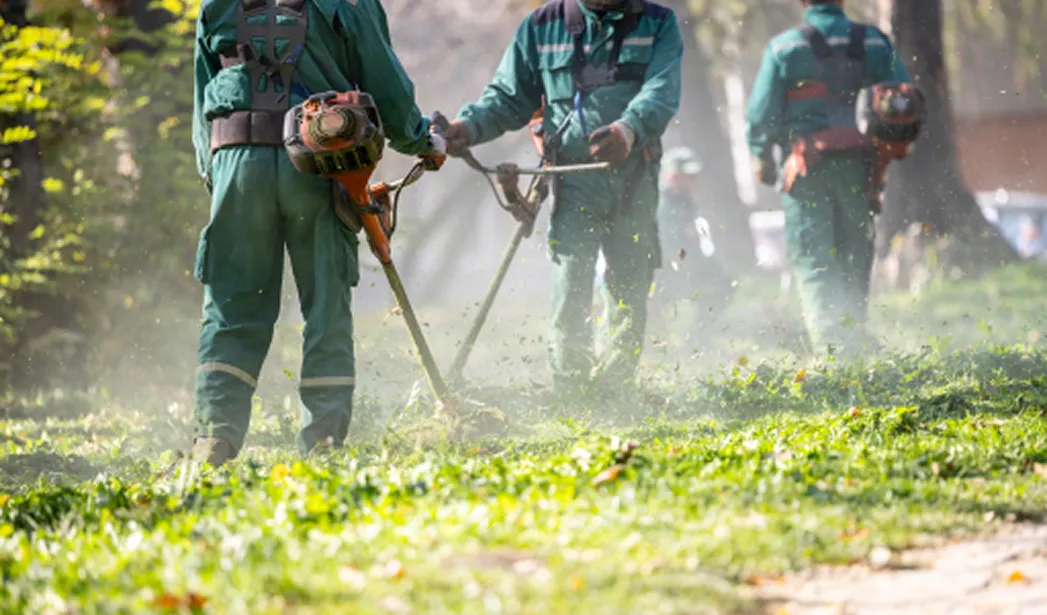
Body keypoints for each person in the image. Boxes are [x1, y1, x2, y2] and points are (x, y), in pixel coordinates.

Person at [190, 0, 445, 467]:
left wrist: (223, 183)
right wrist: (423, 140)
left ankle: (213, 440)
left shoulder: (216, 6)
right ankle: (323, 446)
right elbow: (385, 87)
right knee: (325, 304)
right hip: (315, 163)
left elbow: (201, 108)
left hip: (233, 163)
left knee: (231, 306)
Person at [442, 0, 683, 396]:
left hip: (635, 174)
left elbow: (662, 90)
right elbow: (508, 97)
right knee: (571, 280)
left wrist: (627, 130)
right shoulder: (541, 26)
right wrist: (469, 126)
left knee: (629, 281)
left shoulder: (659, 23)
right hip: (571, 178)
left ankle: (615, 388)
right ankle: (571, 391)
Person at [744, 0, 911, 357]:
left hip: (807, 170)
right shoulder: (876, 43)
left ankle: (836, 355)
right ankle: (852, 345)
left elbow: (761, 116)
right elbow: (905, 102)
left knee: (815, 262)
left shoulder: (784, 47)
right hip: (861, 169)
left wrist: (763, 158)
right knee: (854, 258)